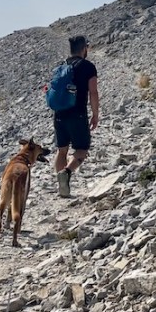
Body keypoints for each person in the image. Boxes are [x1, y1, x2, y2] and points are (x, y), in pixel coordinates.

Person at [52, 35, 99, 198]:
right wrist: (95, 114)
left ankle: (62, 187)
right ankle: (66, 172)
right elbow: (93, 91)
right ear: (84, 48)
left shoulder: (62, 67)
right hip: (77, 114)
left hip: (58, 114)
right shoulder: (88, 67)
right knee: (82, 149)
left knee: (62, 150)